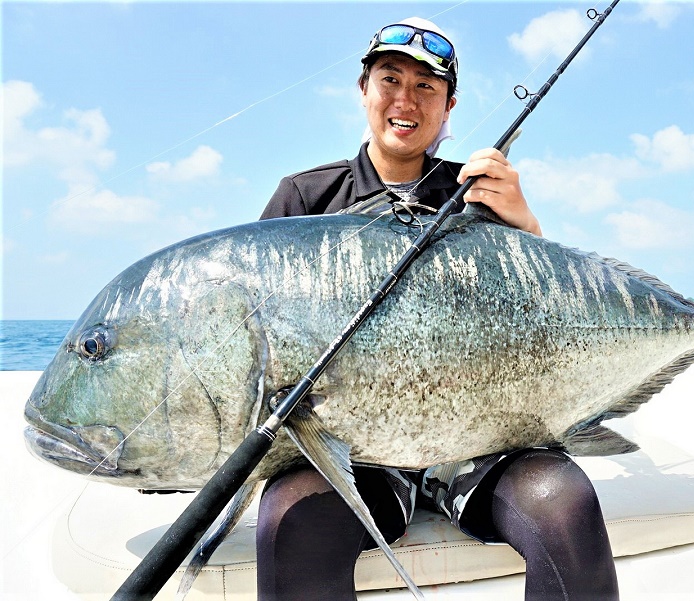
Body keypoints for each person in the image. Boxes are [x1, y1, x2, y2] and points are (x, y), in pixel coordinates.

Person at [256, 17, 619, 601]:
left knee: (564, 505)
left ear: (449, 105)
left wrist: (527, 228)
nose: (406, 99)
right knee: (290, 518)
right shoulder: (305, 199)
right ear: (364, 90)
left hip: (480, 445)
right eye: (390, 79)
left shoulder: (481, 194)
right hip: (359, 456)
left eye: (426, 86)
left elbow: (546, 324)